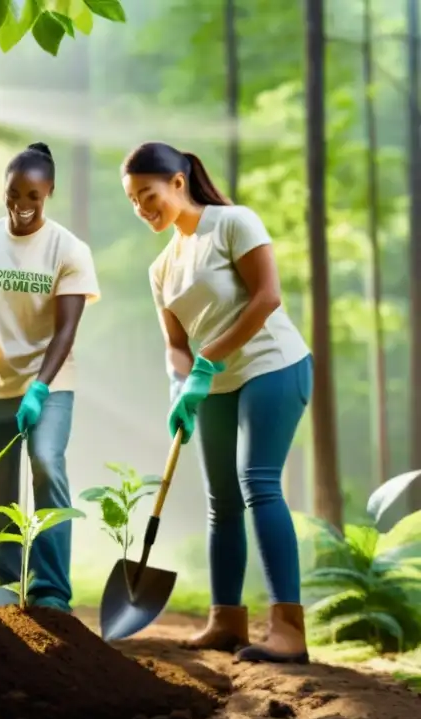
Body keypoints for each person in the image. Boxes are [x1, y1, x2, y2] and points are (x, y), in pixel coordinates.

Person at [121, 141, 313, 664]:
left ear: (178, 183)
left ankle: (288, 628)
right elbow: (176, 344)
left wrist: (206, 365)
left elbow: (267, 296)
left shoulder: (233, 223)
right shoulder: (162, 268)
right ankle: (225, 620)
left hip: (273, 365)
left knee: (258, 483)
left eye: (148, 194)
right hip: (215, 384)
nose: (142, 208)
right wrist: (179, 385)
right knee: (220, 501)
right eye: (133, 201)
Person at [0, 142, 100, 614]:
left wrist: (39, 387)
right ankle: (9, 581)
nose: (21, 205)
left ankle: (50, 589)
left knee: (45, 461)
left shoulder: (68, 249)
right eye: (14, 193)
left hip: (49, 382)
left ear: (49, 192)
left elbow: (66, 330)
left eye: (33, 195)